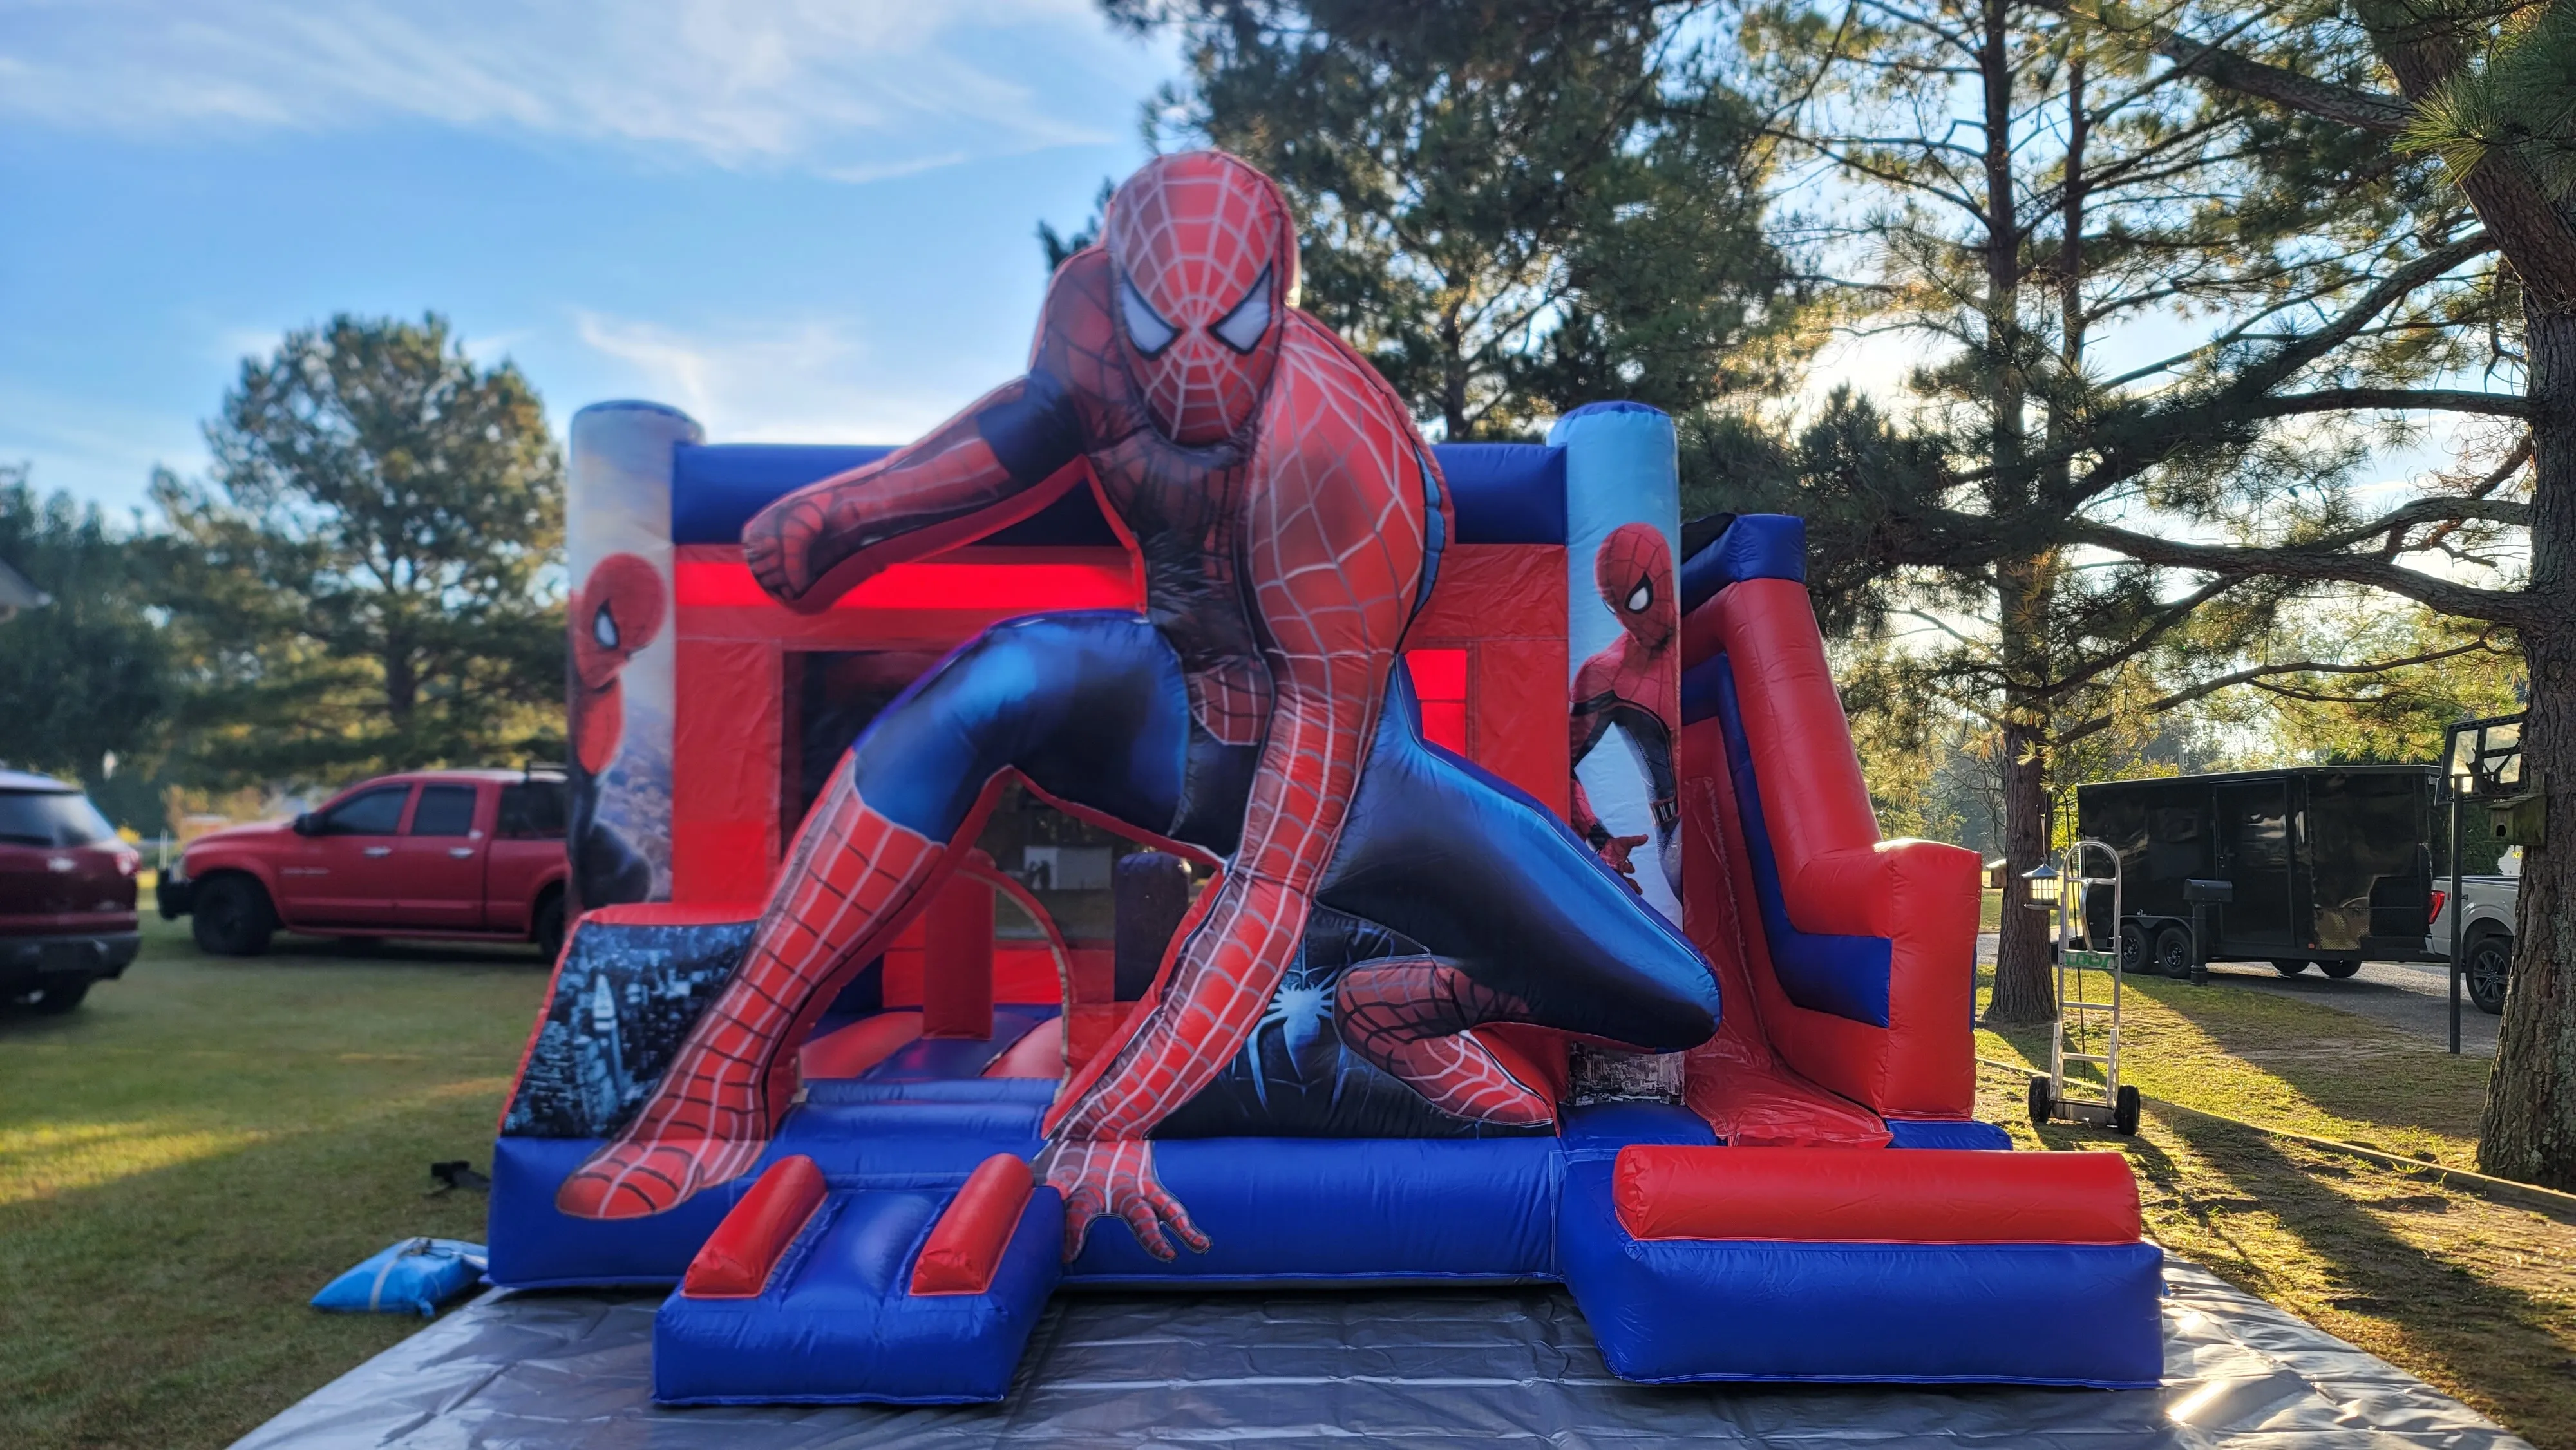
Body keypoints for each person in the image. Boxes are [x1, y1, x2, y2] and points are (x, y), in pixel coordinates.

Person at [553, 151, 1719, 1260]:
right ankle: (729, 1057)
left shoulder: (1334, 459)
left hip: (1365, 786)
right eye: (1168, 330)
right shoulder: (1089, 318)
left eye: (1233, 327)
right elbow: (1027, 426)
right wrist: (858, 511)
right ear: (1124, 294)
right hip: (1175, 707)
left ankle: (1394, 1010)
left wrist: (1114, 1113)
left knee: (1674, 994)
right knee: (997, 678)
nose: (1197, 370)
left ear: (1277, 292)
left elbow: (1272, 882)